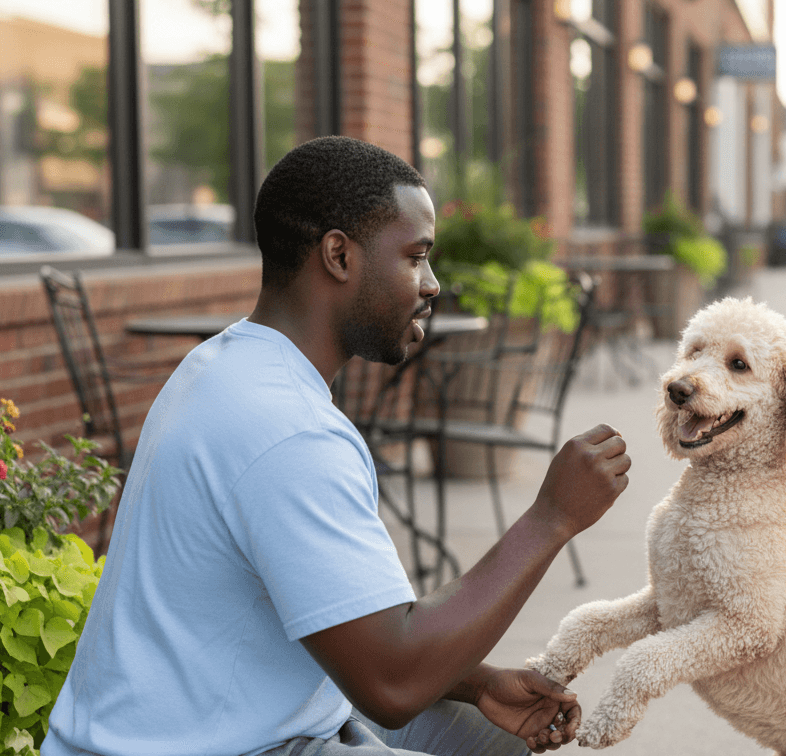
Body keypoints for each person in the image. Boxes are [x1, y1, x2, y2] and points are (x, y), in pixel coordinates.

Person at [42, 136, 631, 756]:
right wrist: (552, 518)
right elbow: (393, 682)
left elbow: (345, 627)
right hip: (223, 745)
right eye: (416, 256)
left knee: (495, 740)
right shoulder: (289, 431)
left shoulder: (222, 364)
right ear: (338, 256)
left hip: (227, 717)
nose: (432, 284)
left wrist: (477, 683)